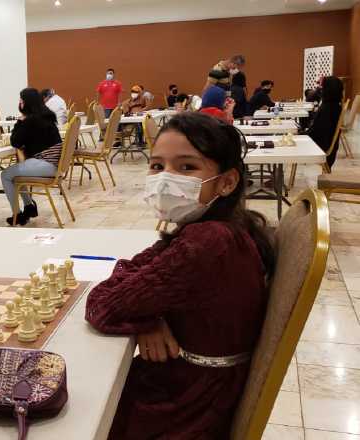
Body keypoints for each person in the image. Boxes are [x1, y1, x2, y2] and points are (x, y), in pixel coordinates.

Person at [86, 112, 275, 438]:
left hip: (187, 404)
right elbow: (134, 266)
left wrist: (143, 314)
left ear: (227, 182)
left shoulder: (206, 242)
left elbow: (102, 304)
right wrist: (148, 317)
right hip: (199, 387)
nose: (165, 178)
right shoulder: (221, 227)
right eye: (157, 166)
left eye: (187, 167)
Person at [1, 88, 63, 226]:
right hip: (54, 165)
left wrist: (20, 121)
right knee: (15, 174)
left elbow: (15, 141)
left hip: (46, 165)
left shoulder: (31, 120)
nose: (20, 103)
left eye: (21, 101)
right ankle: (29, 207)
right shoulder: (46, 116)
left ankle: (17, 215)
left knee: (6, 175)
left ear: (27, 103)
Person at [306, 76, 344, 169]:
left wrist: (301, 134)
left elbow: (316, 132)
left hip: (319, 146)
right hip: (326, 144)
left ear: (328, 89)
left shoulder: (327, 108)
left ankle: (277, 178)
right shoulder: (335, 105)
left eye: (323, 87)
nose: (321, 89)